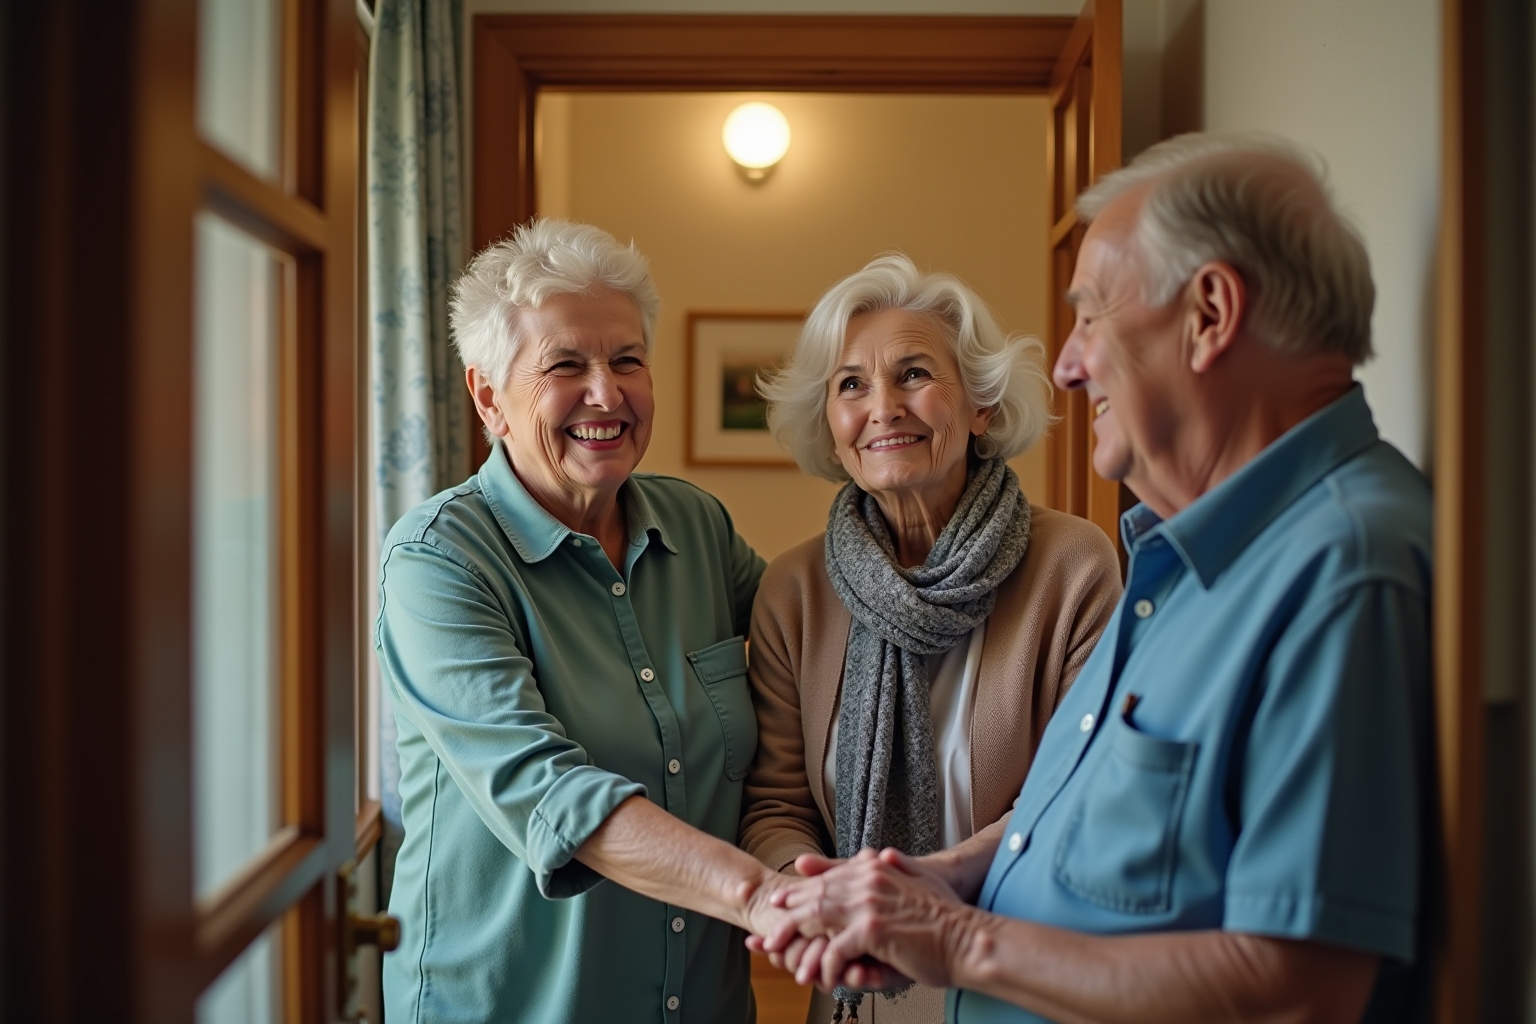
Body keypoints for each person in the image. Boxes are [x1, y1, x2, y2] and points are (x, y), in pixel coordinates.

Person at [756, 133, 1433, 1024]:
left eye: (1092, 315)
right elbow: (1073, 826)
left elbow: (1300, 990)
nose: (1069, 365)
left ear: (1211, 313)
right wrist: (933, 878)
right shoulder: (1185, 558)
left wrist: (950, 939)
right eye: (852, 385)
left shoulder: (1346, 570)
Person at [377, 219, 795, 1024]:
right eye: (566, 364)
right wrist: (764, 896)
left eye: (627, 359)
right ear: (490, 396)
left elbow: (818, 642)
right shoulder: (437, 559)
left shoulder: (697, 524)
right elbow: (551, 793)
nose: (607, 393)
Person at [743, 255, 1123, 1023]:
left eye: (913, 373)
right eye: (850, 385)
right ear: (831, 423)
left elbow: (1083, 797)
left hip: (1017, 980)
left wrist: (923, 895)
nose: (882, 406)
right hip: (846, 979)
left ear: (981, 407)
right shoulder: (794, 591)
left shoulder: (1073, 566)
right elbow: (774, 805)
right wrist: (814, 891)